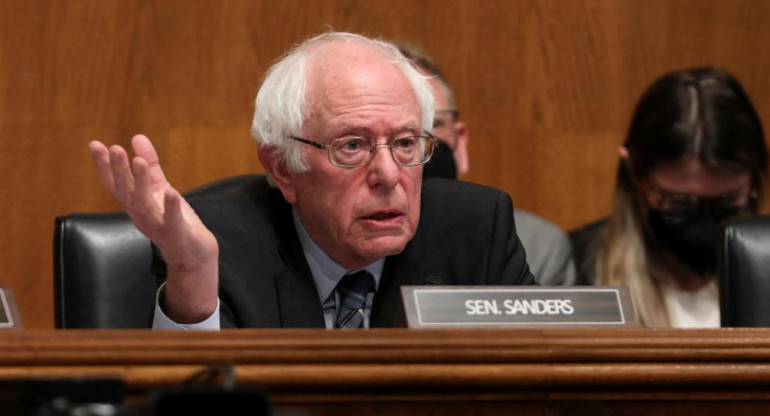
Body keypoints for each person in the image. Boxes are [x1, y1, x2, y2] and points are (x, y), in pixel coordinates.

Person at [89, 32, 535, 329]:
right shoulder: (219, 243)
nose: (387, 175)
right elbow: (190, 400)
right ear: (283, 167)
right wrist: (191, 273)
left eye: (404, 143)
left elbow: (544, 378)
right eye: (352, 146)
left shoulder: (476, 230)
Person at [570, 67, 768, 328]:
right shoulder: (576, 269)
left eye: (727, 199)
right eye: (678, 201)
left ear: (757, 178)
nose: (703, 220)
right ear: (633, 175)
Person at [397, 42, 577, 286]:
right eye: (403, 138)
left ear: (460, 142)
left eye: (434, 125)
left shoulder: (535, 246)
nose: (422, 144)